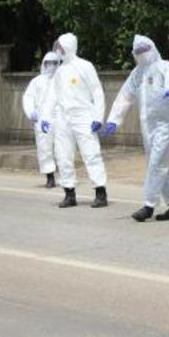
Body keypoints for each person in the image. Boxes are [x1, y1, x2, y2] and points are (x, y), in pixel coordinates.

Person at [104, 35, 169, 222]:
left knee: (156, 163)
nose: (142, 54)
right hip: (147, 126)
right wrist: (114, 120)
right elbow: (125, 96)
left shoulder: (165, 66)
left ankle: (149, 206)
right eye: (138, 51)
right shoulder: (137, 73)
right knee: (159, 165)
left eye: (144, 49)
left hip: (164, 124)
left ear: (153, 47)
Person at [39, 33, 109, 209]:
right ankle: (69, 193)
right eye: (57, 47)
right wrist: (45, 117)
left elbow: (97, 92)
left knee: (91, 154)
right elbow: (51, 97)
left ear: (69, 46)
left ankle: (100, 192)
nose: (58, 50)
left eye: (61, 47)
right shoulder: (60, 71)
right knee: (62, 155)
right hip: (63, 118)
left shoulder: (85, 66)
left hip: (84, 117)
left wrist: (98, 117)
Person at [22, 52, 61, 189]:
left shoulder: (62, 80)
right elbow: (28, 98)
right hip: (42, 120)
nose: (51, 66)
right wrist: (31, 112)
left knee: (63, 148)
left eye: (55, 63)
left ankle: (66, 176)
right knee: (45, 149)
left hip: (60, 119)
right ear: (44, 64)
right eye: (48, 63)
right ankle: (50, 177)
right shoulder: (36, 81)